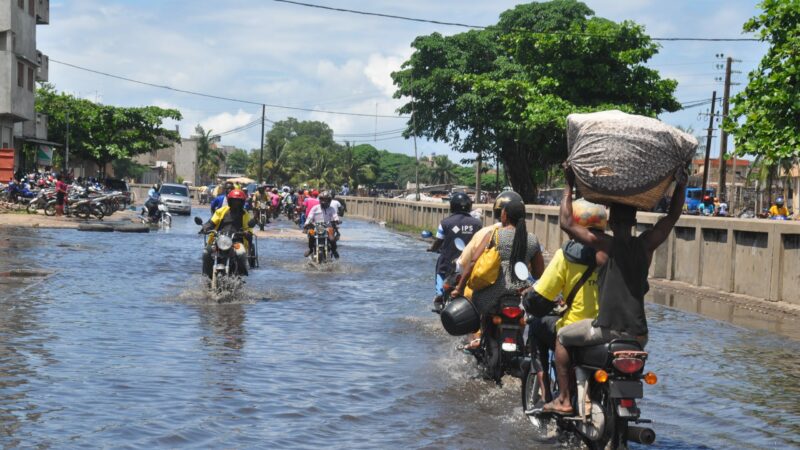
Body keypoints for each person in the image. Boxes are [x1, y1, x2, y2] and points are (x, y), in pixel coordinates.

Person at [542, 167, 686, 415]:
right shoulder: (646, 245)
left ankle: (564, 400)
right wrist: (680, 185)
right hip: (639, 336)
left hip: (607, 330)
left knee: (563, 337)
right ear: (633, 223)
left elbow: (566, 223)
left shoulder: (603, 246)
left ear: (610, 222)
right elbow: (671, 218)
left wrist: (569, 184)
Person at [521, 199, 607, 407]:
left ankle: (555, 396)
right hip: (611, 327)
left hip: (577, 326)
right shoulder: (614, 253)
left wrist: (528, 298)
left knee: (536, 326)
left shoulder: (567, 255)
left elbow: (541, 295)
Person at [451, 195, 545, 349]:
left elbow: (473, 261)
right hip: (518, 295)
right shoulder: (532, 239)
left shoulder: (494, 235)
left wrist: (460, 288)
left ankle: (478, 341)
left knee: (476, 310)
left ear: (505, 215)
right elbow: (539, 274)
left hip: (491, 295)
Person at [428, 192, 483, 311]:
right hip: (470, 264)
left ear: (452, 206)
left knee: (440, 269)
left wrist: (433, 248)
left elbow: (439, 241)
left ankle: (439, 294)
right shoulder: (477, 224)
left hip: (449, 263)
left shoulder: (445, 223)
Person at [200, 189, 253, 278]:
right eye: (234, 201)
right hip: (219, 239)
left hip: (236, 242)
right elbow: (211, 222)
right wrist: (205, 227)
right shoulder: (222, 211)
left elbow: (249, 229)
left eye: (238, 201)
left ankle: (240, 274)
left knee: (241, 253)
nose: (236, 203)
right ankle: (207, 274)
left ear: (242, 202)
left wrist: (247, 233)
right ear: (229, 201)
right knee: (206, 252)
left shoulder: (245, 214)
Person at [304, 191, 341, 258]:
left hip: (328, 227)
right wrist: (307, 223)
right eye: (323, 199)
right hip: (315, 227)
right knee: (311, 235)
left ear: (329, 200)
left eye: (326, 199)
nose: (324, 201)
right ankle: (310, 250)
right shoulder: (315, 208)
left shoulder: (331, 209)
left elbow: (335, 216)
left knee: (332, 239)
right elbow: (309, 217)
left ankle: (334, 250)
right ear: (320, 200)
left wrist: (337, 220)